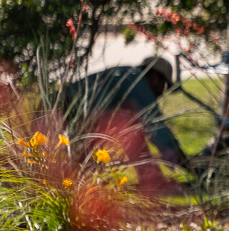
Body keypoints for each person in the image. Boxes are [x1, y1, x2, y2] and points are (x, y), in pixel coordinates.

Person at [61, 58, 189, 179]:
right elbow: (157, 129)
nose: (162, 92)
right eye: (164, 86)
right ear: (155, 78)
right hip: (65, 113)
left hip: (59, 110)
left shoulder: (128, 76)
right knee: (129, 128)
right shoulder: (139, 82)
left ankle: (151, 178)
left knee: (126, 124)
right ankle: (151, 180)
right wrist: (187, 164)